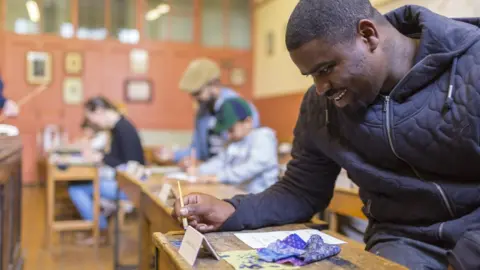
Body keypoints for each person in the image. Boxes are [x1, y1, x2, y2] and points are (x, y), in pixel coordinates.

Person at [172, 2, 480, 269]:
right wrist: (232, 211)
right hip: (402, 242)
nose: (320, 88)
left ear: (368, 35)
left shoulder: (472, 67)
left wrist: (467, 256)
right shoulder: (322, 105)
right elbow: (301, 190)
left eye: (326, 69)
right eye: (311, 76)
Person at [155, 58, 260, 168]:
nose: (195, 98)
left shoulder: (239, 107)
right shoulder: (202, 113)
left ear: (214, 85)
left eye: (197, 92)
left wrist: (206, 169)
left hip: (232, 176)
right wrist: (173, 154)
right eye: (192, 94)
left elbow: (245, 153)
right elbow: (197, 150)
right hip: (209, 175)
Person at [68, 96, 145, 245]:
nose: (94, 123)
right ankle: (99, 229)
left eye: (92, 119)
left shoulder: (123, 129)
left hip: (129, 186)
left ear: (100, 111)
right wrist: (102, 157)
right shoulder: (119, 128)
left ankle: (101, 232)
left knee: (76, 189)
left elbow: (131, 165)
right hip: (124, 181)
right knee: (78, 185)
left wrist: (101, 157)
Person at [188, 97, 279, 194]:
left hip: (262, 198)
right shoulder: (234, 142)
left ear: (247, 122)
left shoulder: (262, 136)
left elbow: (252, 166)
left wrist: (219, 177)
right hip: (239, 195)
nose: (228, 135)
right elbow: (220, 161)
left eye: (231, 130)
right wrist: (199, 170)